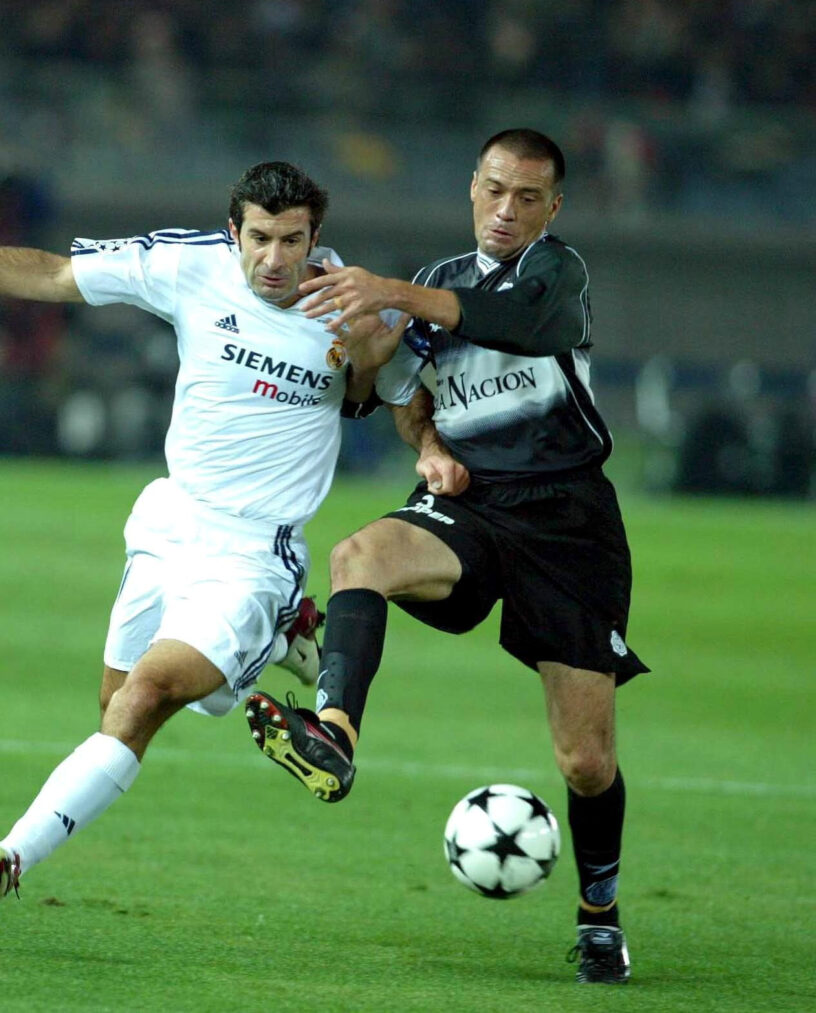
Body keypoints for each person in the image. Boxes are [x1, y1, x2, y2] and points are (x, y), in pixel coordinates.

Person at [0, 160, 407, 918]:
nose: (274, 260)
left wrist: (387, 387)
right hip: (170, 520)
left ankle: (8, 853)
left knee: (145, 698)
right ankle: (274, 645)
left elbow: (375, 391)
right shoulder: (187, 265)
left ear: (317, 237)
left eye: (292, 240)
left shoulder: (349, 306)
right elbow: (51, 275)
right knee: (115, 704)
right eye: (259, 238)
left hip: (252, 554)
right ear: (232, 231)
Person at [244, 130, 648, 985]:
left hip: (567, 519)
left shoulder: (558, 277)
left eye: (528, 198)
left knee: (585, 760)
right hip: (471, 503)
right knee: (360, 555)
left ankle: (599, 913)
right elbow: (396, 395)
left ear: (553, 208)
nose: (507, 212)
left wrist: (387, 294)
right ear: (473, 187)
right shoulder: (436, 282)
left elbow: (503, 323)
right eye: (495, 191)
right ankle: (335, 731)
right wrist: (419, 432)